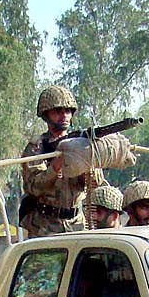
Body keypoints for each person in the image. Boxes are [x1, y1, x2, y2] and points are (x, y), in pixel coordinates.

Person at [20, 85, 91, 238]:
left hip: (76, 224)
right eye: (57, 111)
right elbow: (34, 187)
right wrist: (55, 166)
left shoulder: (79, 143)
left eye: (67, 111)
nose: (64, 116)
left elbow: (93, 184)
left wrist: (90, 160)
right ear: (46, 115)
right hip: (45, 225)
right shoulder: (36, 147)